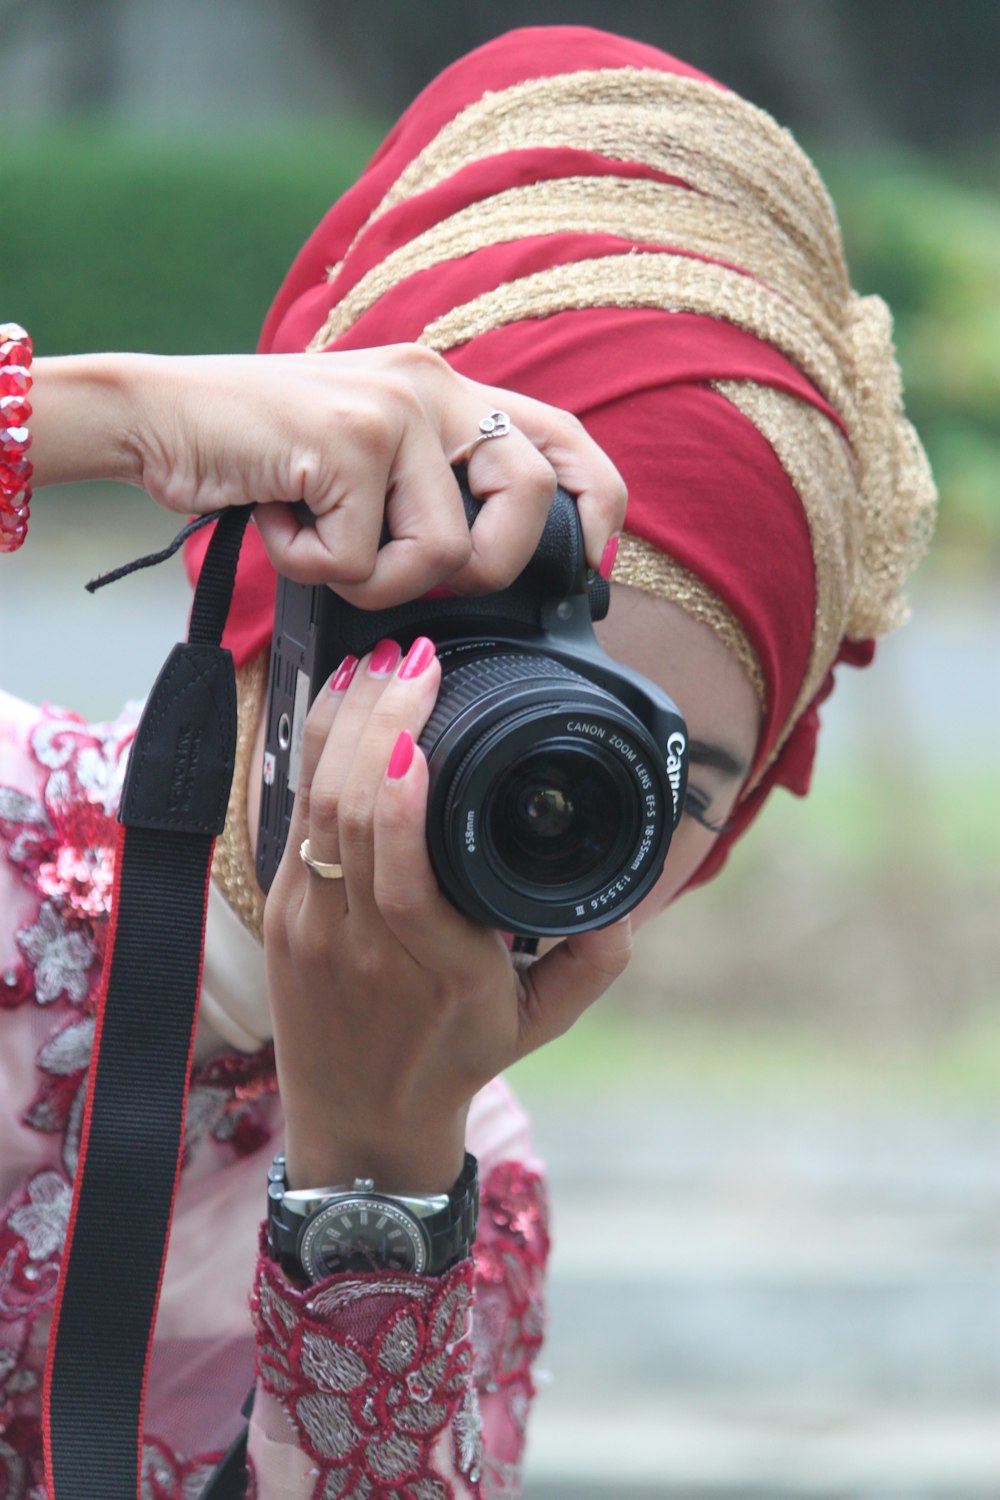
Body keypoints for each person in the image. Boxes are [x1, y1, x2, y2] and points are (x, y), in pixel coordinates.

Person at [0, 24, 934, 1500]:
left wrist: (374, 1183)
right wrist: (99, 414)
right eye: (484, 685)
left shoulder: (475, 1187)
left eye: (659, 787)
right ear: (292, 592)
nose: (533, 802)